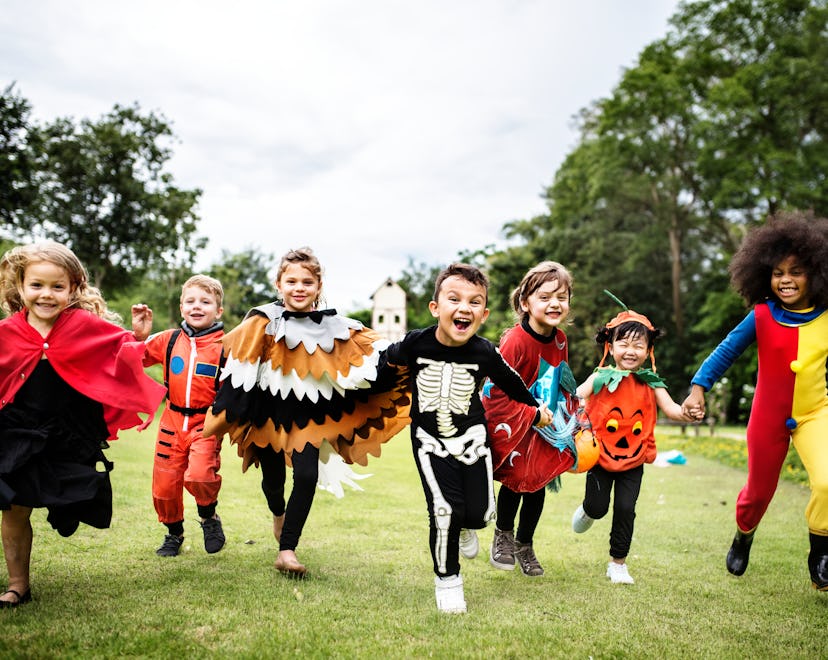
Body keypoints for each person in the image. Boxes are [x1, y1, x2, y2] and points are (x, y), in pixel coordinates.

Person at [204, 247, 410, 578]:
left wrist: (416, 349)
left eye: (307, 282)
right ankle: (278, 513)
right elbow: (225, 355)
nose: (299, 288)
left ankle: (287, 550)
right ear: (279, 284)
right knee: (273, 483)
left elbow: (377, 352)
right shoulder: (261, 322)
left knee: (307, 476)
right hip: (266, 415)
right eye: (291, 281)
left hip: (309, 417)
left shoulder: (337, 326)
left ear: (318, 286)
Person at [0, 241, 166, 607]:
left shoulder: (83, 326)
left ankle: (67, 508)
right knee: (14, 508)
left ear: (73, 289)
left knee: (69, 504)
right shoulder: (7, 332)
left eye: (57, 287)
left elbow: (121, 353)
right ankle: (18, 584)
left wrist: (138, 338)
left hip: (68, 431)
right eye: (37, 285)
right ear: (21, 286)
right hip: (18, 429)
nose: (46, 294)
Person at [384, 263, 553, 614]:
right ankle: (448, 581)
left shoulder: (484, 351)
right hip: (429, 441)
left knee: (478, 513)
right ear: (436, 308)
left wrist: (536, 409)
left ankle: (466, 526)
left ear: (484, 314)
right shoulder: (416, 342)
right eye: (454, 299)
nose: (464, 308)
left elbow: (511, 383)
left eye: (475, 302)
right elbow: (383, 364)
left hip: (473, 439)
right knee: (444, 509)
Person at [681, 212, 828, 591]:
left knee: (827, 482)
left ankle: (821, 552)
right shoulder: (760, 315)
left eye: (796, 271)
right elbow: (726, 351)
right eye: (778, 273)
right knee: (757, 494)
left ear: (817, 272)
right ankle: (743, 535)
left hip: (815, 413)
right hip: (768, 417)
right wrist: (699, 388)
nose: (786, 280)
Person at [571, 300, 697, 584]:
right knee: (598, 507)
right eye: (624, 344)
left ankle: (618, 563)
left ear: (648, 350)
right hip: (599, 456)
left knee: (626, 509)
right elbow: (576, 396)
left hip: (634, 458)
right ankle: (589, 511)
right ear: (611, 347)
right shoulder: (600, 377)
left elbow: (673, 409)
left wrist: (687, 412)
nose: (630, 351)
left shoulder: (652, 382)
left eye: (638, 345)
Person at [481, 261, 578, 578]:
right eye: (545, 296)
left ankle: (525, 544)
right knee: (516, 482)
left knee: (538, 485)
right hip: (517, 425)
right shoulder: (515, 341)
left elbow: (559, 378)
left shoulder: (560, 340)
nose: (555, 304)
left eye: (561, 297)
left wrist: (570, 414)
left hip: (546, 427)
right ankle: (504, 535)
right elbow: (497, 389)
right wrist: (529, 414)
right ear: (525, 302)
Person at [131, 275, 226, 557]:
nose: (197, 307)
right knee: (165, 485)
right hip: (171, 421)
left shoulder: (226, 346)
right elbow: (135, 357)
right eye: (191, 301)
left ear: (218, 310)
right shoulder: (168, 339)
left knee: (200, 475)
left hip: (205, 423)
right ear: (181, 307)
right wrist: (138, 335)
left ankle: (209, 517)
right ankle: (174, 534)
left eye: (206, 302)